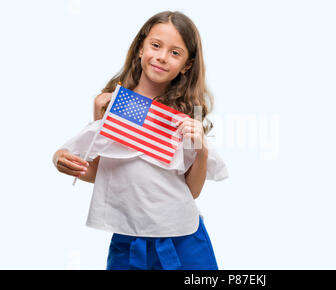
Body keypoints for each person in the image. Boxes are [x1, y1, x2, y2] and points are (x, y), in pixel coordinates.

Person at [52, 11, 229, 270]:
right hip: (128, 236)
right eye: (156, 45)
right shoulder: (117, 104)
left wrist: (200, 149)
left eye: (175, 52)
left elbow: (192, 191)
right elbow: (102, 171)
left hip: (182, 238)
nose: (161, 56)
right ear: (140, 48)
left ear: (187, 65)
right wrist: (60, 158)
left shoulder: (190, 113)